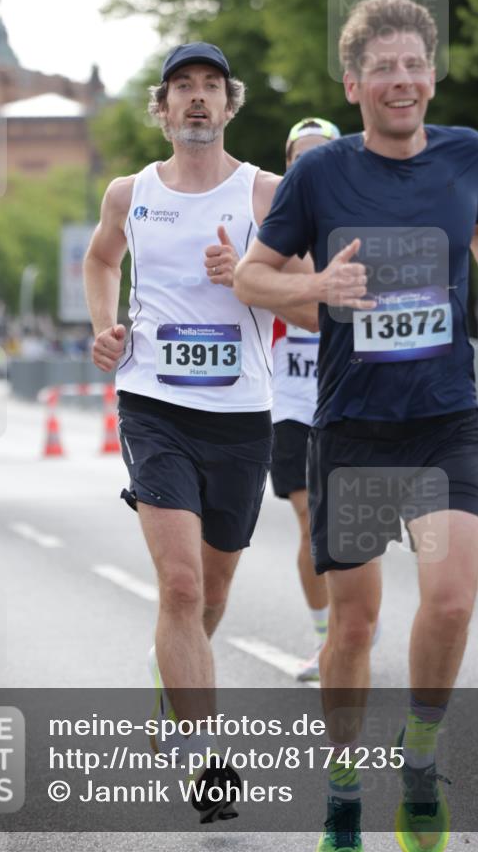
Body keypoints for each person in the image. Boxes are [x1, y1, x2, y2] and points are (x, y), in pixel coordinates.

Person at [234, 0, 478, 852]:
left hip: (443, 420)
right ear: (354, 84)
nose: (401, 82)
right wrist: (312, 289)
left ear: (429, 76)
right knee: (352, 626)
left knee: (450, 598)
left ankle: (422, 761)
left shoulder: (464, 151)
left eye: (413, 66)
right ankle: (342, 790)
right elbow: (253, 277)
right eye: (382, 69)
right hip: (354, 429)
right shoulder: (319, 175)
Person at [84, 42, 322, 822]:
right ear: (161, 108)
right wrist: (104, 326)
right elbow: (99, 258)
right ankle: (201, 760)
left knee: (210, 593)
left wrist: (249, 280)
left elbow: (314, 304)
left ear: (229, 106)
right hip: (152, 405)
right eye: (180, 87)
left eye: (209, 88)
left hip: (242, 415)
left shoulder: (266, 194)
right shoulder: (130, 192)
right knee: (180, 584)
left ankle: (173, 678)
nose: (195, 99)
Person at [270, 118, 340, 682]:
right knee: (310, 520)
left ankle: (351, 624)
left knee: (345, 526)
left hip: (350, 398)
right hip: (291, 399)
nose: (310, 165)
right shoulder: (270, 230)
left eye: (323, 154)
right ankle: (327, 639)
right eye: (301, 157)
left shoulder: (363, 224)